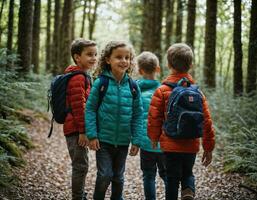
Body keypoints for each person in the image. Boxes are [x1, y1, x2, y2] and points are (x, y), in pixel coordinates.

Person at [147, 43, 215, 200]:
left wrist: (154, 137)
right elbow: (206, 121)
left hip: (170, 143)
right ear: (191, 65)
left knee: (171, 178)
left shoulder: (162, 91)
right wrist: (208, 146)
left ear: (169, 64)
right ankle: (188, 191)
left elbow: (154, 117)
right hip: (191, 144)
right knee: (188, 173)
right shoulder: (197, 92)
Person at [85, 41, 143, 200]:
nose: (124, 60)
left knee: (118, 177)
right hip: (103, 140)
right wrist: (92, 134)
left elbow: (138, 114)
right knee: (105, 175)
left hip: (123, 142)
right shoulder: (101, 83)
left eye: (127, 57)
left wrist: (137, 140)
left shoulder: (132, 86)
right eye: (119, 57)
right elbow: (90, 109)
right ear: (108, 60)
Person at [64, 38, 97, 200]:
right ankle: (77, 197)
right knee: (80, 166)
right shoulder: (77, 78)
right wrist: (83, 132)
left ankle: (79, 194)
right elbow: (79, 108)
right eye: (89, 54)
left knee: (81, 165)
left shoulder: (81, 75)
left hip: (76, 128)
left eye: (95, 54)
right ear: (77, 57)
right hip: (76, 129)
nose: (94, 58)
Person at [136, 51, 167, 200]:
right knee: (166, 175)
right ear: (158, 69)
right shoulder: (165, 91)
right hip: (164, 143)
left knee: (148, 176)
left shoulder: (135, 92)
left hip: (146, 142)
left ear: (140, 70)